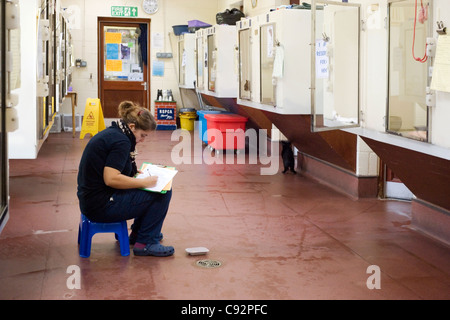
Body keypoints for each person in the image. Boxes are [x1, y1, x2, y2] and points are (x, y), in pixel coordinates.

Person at [77, 101, 174, 257]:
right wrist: (143, 182)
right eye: (143, 135)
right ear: (132, 127)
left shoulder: (115, 133)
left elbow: (116, 169)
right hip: (101, 206)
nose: (143, 140)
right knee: (163, 192)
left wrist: (138, 175)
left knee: (147, 188)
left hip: (91, 200)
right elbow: (111, 179)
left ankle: (139, 234)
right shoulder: (121, 142)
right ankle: (145, 243)